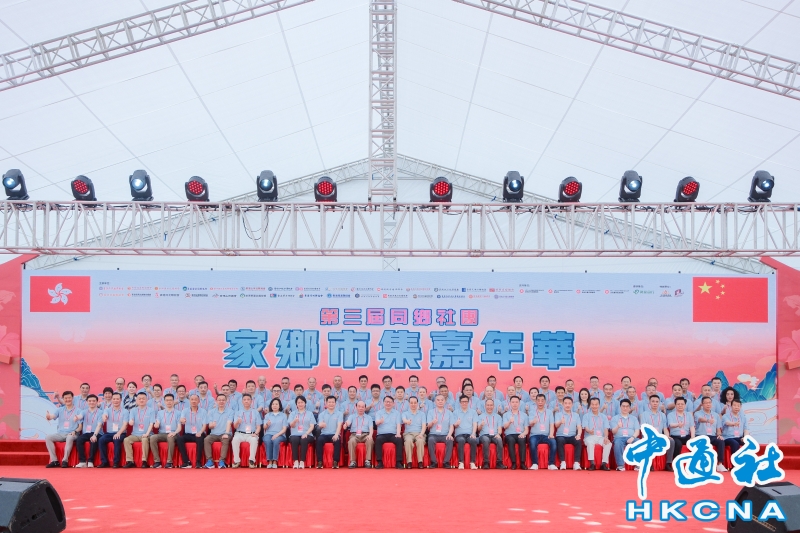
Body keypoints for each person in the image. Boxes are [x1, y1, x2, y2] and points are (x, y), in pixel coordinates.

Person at [639, 394, 675, 471]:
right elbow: (643, 429)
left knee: (671, 441)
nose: (655, 403)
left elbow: (665, 428)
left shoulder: (662, 415)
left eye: (656, 402)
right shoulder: (644, 414)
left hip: (660, 437)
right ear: (650, 403)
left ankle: (668, 463)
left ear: (659, 403)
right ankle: (649, 464)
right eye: (653, 401)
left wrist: (667, 436)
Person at [123, 392, 156, 468]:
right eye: (139, 399)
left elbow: (151, 424)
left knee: (144, 439)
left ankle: (144, 461)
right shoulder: (133, 410)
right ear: (136, 400)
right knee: (126, 440)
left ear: (146, 400)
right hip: (135, 434)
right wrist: (131, 422)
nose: (141, 400)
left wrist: (147, 434)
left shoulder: (151, 410)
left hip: (147, 434)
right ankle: (130, 461)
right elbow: (130, 421)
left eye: (143, 399)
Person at [695, 396, 727, 472]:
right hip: (701, 436)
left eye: (709, 403)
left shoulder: (716, 415)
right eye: (706, 403)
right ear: (702, 404)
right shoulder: (697, 413)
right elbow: (700, 419)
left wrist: (719, 435)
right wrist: (708, 420)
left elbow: (718, 428)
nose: (708, 404)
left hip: (712, 436)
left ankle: (720, 464)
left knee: (721, 442)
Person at [149, 393, 180, 468]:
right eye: (167, 400)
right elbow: (157, 422)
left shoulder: (178, 413)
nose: (169, 402)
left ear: (173, 401)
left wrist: (174, 433)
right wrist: (156, 424)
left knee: (170, 437)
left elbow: (179, 427)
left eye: (170, 400)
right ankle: (157, 461)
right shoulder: (160, 413)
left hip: (173, 433)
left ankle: (169, 462)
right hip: (162, 433)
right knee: (152, 437)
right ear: (164, 402)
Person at [203, 394, 233, 469]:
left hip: (225, 433)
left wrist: (226, 433)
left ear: (226, 401)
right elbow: (209, 426)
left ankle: (222, 461)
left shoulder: (230, 411)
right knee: (206, 439)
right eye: (219, 400)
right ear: (216, 401)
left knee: (225, 439)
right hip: (214, 434)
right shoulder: (211, 412)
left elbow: (229, 423)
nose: (221, 401)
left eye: (223, 400)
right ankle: (209, 461)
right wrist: (211, 425)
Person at [231, 393, 262, 469]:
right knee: (234, 440)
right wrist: (237, 422)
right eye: (244, 400)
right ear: (242, 401)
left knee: (254, 440)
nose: (246, 401)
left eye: (248, 399)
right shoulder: (238, 412)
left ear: (251, 401)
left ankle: (251, 460)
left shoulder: (255, 412)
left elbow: (258, 426)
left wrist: (256, 433)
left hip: (251, 434)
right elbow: (235, 427)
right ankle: (236, 461)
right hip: (240, 433)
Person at [177, 394, 207, 469]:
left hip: (199, 433)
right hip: (188, 434)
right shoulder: (185, 411)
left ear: (199, 401)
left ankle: (198, 462)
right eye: (192, 399)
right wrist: (182, 420)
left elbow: (204, 425)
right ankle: (186, 462)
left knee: (200, 439)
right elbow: (182, 419)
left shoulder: (203, 411)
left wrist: (200, 432)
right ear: (189, 401)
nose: (194, 401)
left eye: (195, 399)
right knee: (179, 439)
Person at [373, 396, 403, 469]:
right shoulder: (379, 413)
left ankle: (398, 462)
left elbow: (398, 424)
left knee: (399, 440)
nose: (388, 403)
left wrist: (398, 433)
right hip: (382, 434)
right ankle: (380, 462)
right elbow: (376, 422)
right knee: (378, 440)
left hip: (393, 434)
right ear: (383, 403)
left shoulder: (397, 413)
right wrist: (380, 421)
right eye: (386, 402)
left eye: (390, 402)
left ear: (393, 403)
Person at [582, 398, 611, 471]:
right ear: (590, 405)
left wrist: (606, 437)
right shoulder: (586, 416)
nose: (594, 406)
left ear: (599, 405)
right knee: (590, 443)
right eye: (592, 404)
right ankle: (592, 463)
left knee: (608, 443)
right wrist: (589, 431)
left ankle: (604, 464)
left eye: (596, 404)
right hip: (589, 437)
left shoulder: (603, 416)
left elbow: (606, 428)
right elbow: (586, 427)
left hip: (601, 437)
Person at [427, 394, 455, 469]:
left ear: (445, 401)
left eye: (442, 400)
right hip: (433, 434)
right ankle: (433, 462)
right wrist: (432, 422)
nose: (440, 401)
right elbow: (428, 426)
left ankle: (446, 462)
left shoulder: (449, 413)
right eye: (438, 400)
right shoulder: (430, 412)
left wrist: (449, 434)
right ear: (435, 402)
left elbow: (451, 426)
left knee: (450, 440)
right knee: (430, 440)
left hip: (445, 434)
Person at [528, 394, 556, 470]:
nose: (540, 402)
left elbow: (551, 424)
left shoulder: (549, 412)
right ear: (536, 401)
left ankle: (551, 464)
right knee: (532, 443)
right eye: (538, 400)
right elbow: (530, 423)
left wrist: (551, 434)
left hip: (546, 435)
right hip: (534, 435)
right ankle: (535, 463)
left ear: (545, 401)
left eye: (542, 400)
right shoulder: (532, 412)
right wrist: (533, 422)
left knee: (553, 442)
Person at [610, 399, 640, 471]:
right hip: (619, 438)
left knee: (639, 442)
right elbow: (613, 432)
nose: (625, 408)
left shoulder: (634, 418)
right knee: (617, 443)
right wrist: (618, 426)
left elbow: (637, 431)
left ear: (630, 408)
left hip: (631, 437)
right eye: (623, 406)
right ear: (620, 407)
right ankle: (620, 465)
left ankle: (638, 464)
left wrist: (632, 437)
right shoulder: (615, 418)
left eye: (627, 406)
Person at [555, 396, 582, 470]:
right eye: (566, 403)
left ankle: (576, 463)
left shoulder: (576, 415)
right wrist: (560, 422)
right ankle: (563, 462)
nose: (567, 405)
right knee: (560, 440)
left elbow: (579, 427)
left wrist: (578, 435)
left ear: (572, 404)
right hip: (561, 435)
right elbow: (556, 425)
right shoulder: (558, 414)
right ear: (563, 404)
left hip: (572, 436)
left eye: (569, 403)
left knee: (578, 441)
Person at [315, 396, 343, 469]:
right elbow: (320, 424)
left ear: (335, 403)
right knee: (319, 440)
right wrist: (321, 425)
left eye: (333, 402)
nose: (331, 404)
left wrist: (336, 434)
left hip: (334, 433)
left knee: (337, 440)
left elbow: (339, 425)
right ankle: (320, 462)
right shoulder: (322, 414)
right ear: (326, 403)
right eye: (329, 402)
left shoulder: (339, 414)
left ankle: (335, 462)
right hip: (324, 434)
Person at [75, 394, 102, 468]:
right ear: (87, 402)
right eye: (90, 401)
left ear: (97, 402)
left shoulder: (100, 412)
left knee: (93, 440)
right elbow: (80, 416)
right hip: (86, 433)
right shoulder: (84, 411)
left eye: (93, 401)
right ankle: (82, 461)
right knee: (79, 440)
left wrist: (95, 435)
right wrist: (77, 417)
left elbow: (99, 425)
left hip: (97, 432)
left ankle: (90, 461)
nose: (91, 402)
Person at [477, 398, 505, 469]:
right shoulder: (480, 416)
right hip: (484, 435)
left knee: (499, 440)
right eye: (488, 405)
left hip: (495, 435)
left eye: (491, 405)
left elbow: (499, 428)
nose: (489, 407)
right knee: (486, 440)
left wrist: (498, 434)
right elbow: (478, 429)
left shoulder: (498, 417)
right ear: (485, 406)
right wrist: (481, 425)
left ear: (494, 406)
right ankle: (486, 462)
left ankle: (499, 463)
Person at [344, 401, 374, 469]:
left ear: (365, 408)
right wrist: (346, 424)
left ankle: (367, 461)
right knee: (351, 441)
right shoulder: (352, 416)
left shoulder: (369, 417)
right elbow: (348, 422)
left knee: (370, 441)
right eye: (359, 406)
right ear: (356, 407)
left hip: (365, 434)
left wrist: (370, 435)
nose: (361, 408)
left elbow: (371, 428)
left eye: (362, 407)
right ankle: (353, 461)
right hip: (354, 435)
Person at [288, 396, 315, 469]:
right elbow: (291, 425)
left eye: (302, 402)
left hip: (307, 434)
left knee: (304, 439)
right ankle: (296, 461)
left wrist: (306, 433)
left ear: (305, 403)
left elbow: (312, 426)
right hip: (295, 434)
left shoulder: (310, 413)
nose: (300, 404)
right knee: (294, 439)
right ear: (296, 404)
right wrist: (294, 421)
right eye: (298, 403)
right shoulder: (293, 414)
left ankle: (302, 461)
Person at [453, 394, 479, 470]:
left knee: (473, 440)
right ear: (460, 403)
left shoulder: (473, 412)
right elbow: (453, 425)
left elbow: (475, 424)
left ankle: (472, 462)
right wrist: (456, 424)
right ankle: (461, 462)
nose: (464, 403)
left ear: (468, 402)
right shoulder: (455, 412)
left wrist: (473, 433)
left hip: (470, 434)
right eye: (462, 402)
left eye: (466, 401)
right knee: (461, 440)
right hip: (459, 434)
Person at [503, 395, 528, 470]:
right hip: (509, 434)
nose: (515, 404)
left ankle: (522, 463)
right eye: (513, 402)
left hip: (520, 433)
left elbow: (526, 429)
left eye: (516, 402)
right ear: (510, 403)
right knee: (511, 440)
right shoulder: (505, 415)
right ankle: (513, 463)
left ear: (519, 403)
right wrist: (509, 422)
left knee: (522, 440)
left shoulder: (524, 415)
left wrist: (523, 434)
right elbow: (505, 427)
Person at [401, 396, 426, 469]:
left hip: (419, 433)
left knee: (420, 441)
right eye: (411, 403)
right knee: (408, 441)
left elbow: (424, 426)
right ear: (409, 404)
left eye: (415, 403)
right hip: (408, 433)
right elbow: (404, 420)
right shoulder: (405, 413)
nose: (413, 404)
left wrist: (421, 434)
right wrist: (407, 421)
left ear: (417, 403)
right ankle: (409, 462)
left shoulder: (422, 414)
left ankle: (420, 462)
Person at [263, 398, 288, 469]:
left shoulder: (283, 415)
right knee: (267, 440)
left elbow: (284, 429)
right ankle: (269, 461)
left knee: (276, 440)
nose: (274, 405)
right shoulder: (268, 415)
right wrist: (267, 424)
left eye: (276, 404)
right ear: (271, 406)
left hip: (280, 434)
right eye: (273, 404)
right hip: (268, 433)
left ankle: (275, 461)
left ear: (279, 406)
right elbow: (264, 427)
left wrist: (277, 434)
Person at [667, 397, 695, 462]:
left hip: (686, 436)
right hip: (675, 436)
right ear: (675, 405)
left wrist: (693, 437)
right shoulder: (670, 415)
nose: (680, 405)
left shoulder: (689, 415)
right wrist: (677, 425)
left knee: (695, 443)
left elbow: (692, 427)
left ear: (685, 405)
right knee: (678, 444)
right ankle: (676, 462)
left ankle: (693, 462)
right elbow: (671, 424)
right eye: (678, 404)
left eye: (682, 404)